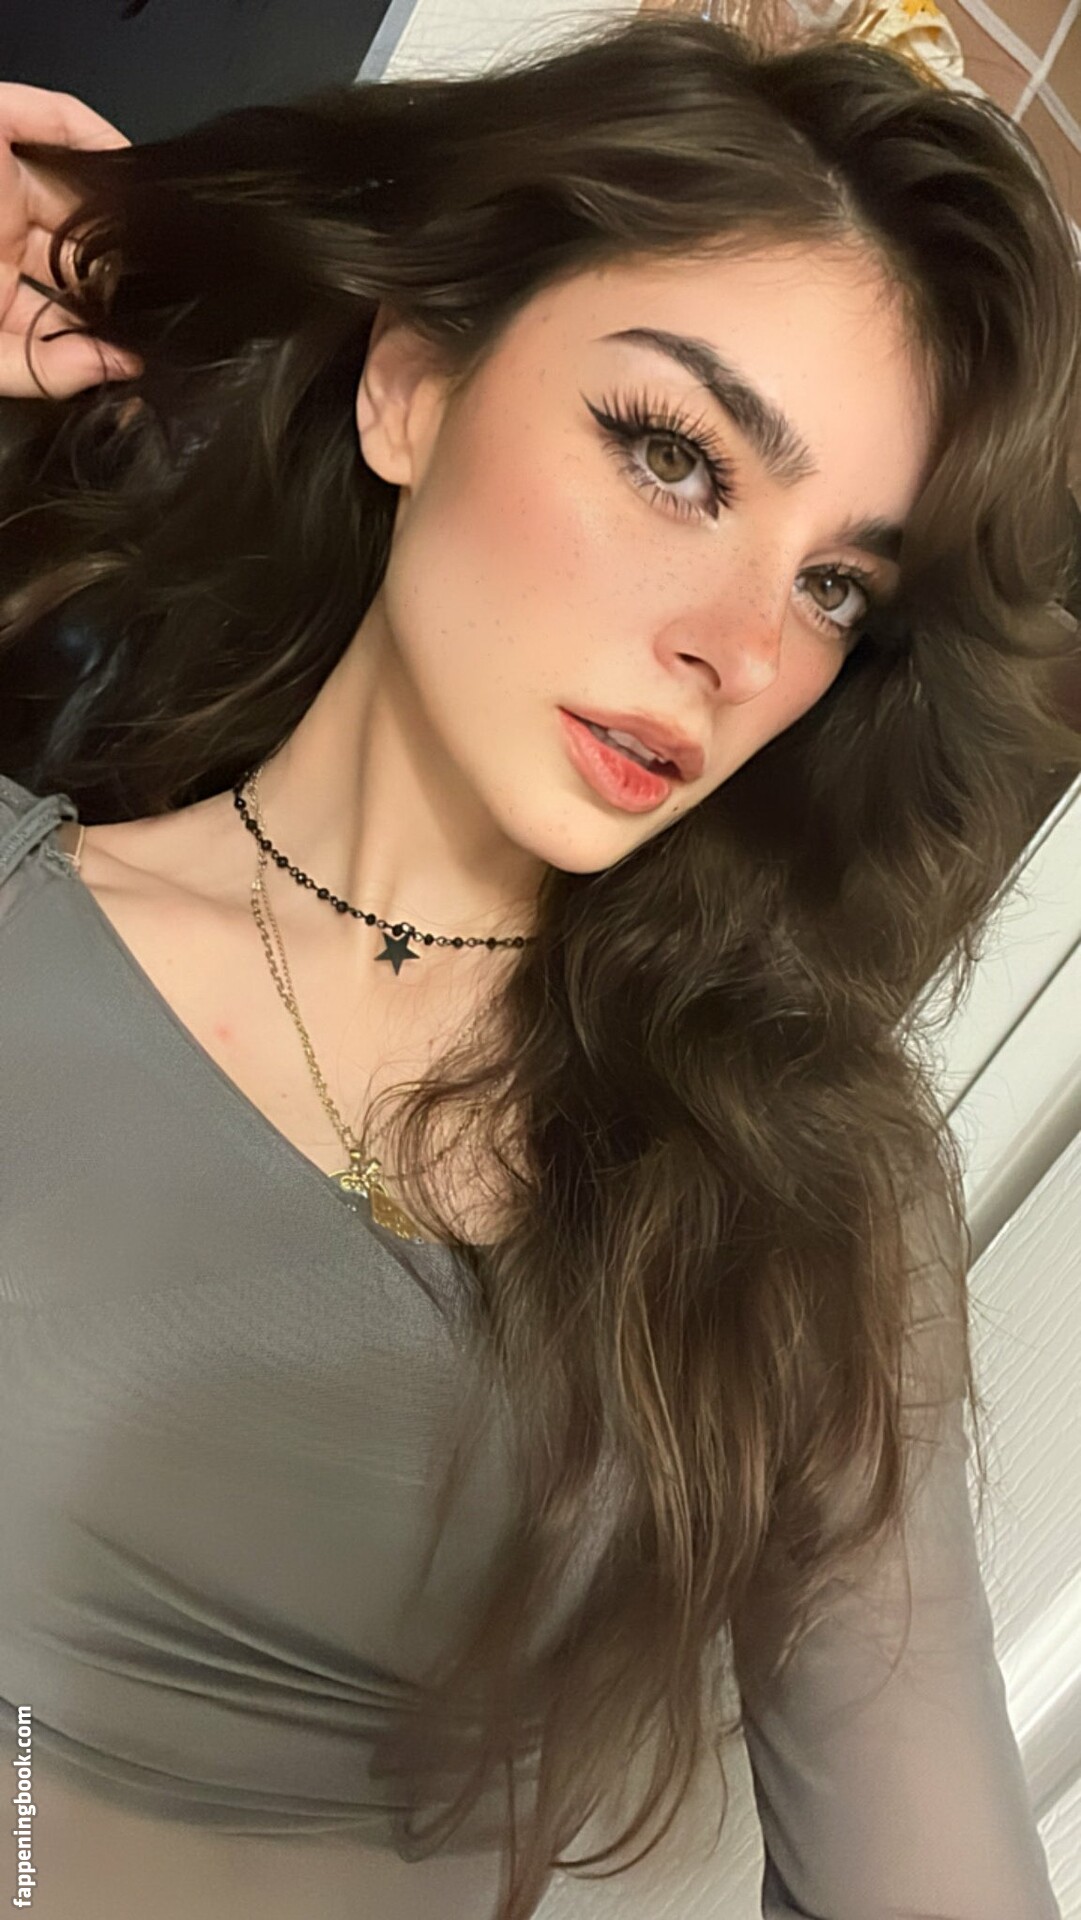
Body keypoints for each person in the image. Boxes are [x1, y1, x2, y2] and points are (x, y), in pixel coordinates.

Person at [0, 12, 1077, 1919]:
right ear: (409, 385)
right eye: (675, 457)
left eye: (836, 585)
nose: (740, 644)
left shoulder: (791, 1185)